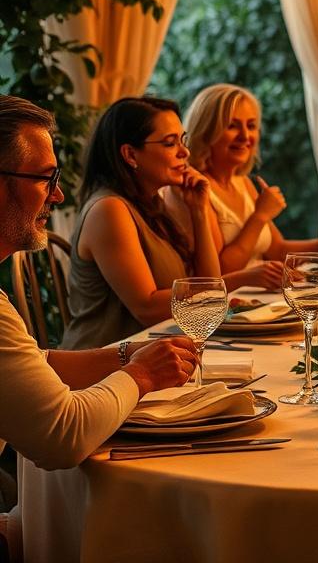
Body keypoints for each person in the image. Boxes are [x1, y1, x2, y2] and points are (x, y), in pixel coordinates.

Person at [0, 95, 197, 559]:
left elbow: (32, 364)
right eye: (45, 178)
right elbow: (64, 435)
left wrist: (125, 356)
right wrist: (141, 375)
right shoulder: (110, 208)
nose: (58, 196)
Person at [62, 97, 279, 350]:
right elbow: (147, 308)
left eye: (182, 140)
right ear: (130, 154)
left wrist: (198, 210)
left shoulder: (152, 205)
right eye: (169, 143)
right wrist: (239, 280)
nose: (184, 152)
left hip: (156, 351)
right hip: (106, 360)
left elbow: (206, 290)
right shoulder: (109, 210)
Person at [181, 84, 315, 273]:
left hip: (265, 291)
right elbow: (221, 272)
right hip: (236, 293)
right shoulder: (196, 188)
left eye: (251, 126)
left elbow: (277, 250)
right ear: (205, 131)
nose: (245, 136)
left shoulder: (241, 181)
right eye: (232, 126)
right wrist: (260, 216)